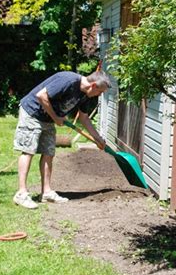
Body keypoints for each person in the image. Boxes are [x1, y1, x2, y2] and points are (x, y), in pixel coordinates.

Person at [13, 70, 111, 209]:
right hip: (32, 112)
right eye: (100, 92)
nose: (100, 95)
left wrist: (97, 138)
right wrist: (55, 117)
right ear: (93, 85)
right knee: (28, 151)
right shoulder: (68, 80)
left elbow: (84, 118)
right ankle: (21, 194)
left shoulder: (86, 95)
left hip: (48, 119)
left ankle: (46, 193)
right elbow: (41, 96)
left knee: (49, 153)